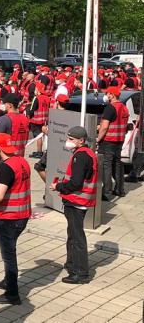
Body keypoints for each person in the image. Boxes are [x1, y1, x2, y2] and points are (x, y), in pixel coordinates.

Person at [50, 126, 98, 284]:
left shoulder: (81, 156)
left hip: (77, 201)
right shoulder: (86, 153)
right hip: (79, 201)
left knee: (77, 238)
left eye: (71, 139)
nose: (68, 142)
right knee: (73, 235)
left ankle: (80, 273)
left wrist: (58, 187)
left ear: (81, 141)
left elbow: (76, 183)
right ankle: (72, 265)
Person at [0, 133, 31, 305]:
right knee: (10, 251)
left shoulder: (6, 168)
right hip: (22, 215)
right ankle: (8, 281)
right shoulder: (22, 161)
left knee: (8, 256)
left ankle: (12, 293)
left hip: (8, 218)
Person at [96, 86, 129, 200]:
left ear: (112, 95)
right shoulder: (124, 107)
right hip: (119, 140)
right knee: (117, 164)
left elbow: (105, 127)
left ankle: (106, 193)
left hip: (108, 141)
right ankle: (120, 190)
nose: (106, 95)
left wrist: (98, 139)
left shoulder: (110, 108)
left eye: (108, 93)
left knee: (106, 166)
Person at [27, 83, 51, 159]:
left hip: (36, 120)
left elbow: (31, 110)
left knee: (38, 136)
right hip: (44, 120)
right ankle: (42, 151)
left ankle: (39, 152)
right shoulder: (47, 98)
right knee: (42, 135)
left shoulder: (36, 98)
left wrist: (28, 113)